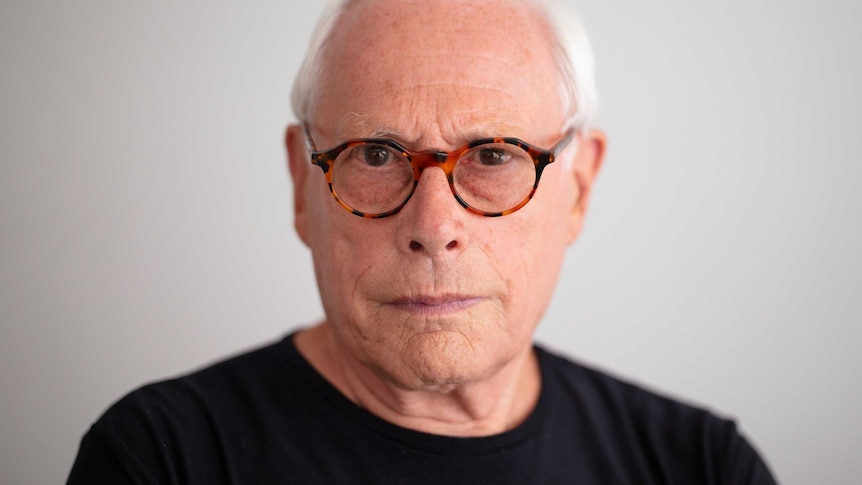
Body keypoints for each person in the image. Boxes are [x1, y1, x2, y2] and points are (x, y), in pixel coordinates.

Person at [68, 0, 778, 483]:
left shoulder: (701, 465)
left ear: (580, 189)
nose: (434, 228)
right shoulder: (160, 458)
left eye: (494, 156)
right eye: (376, 155)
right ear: (300, 184)